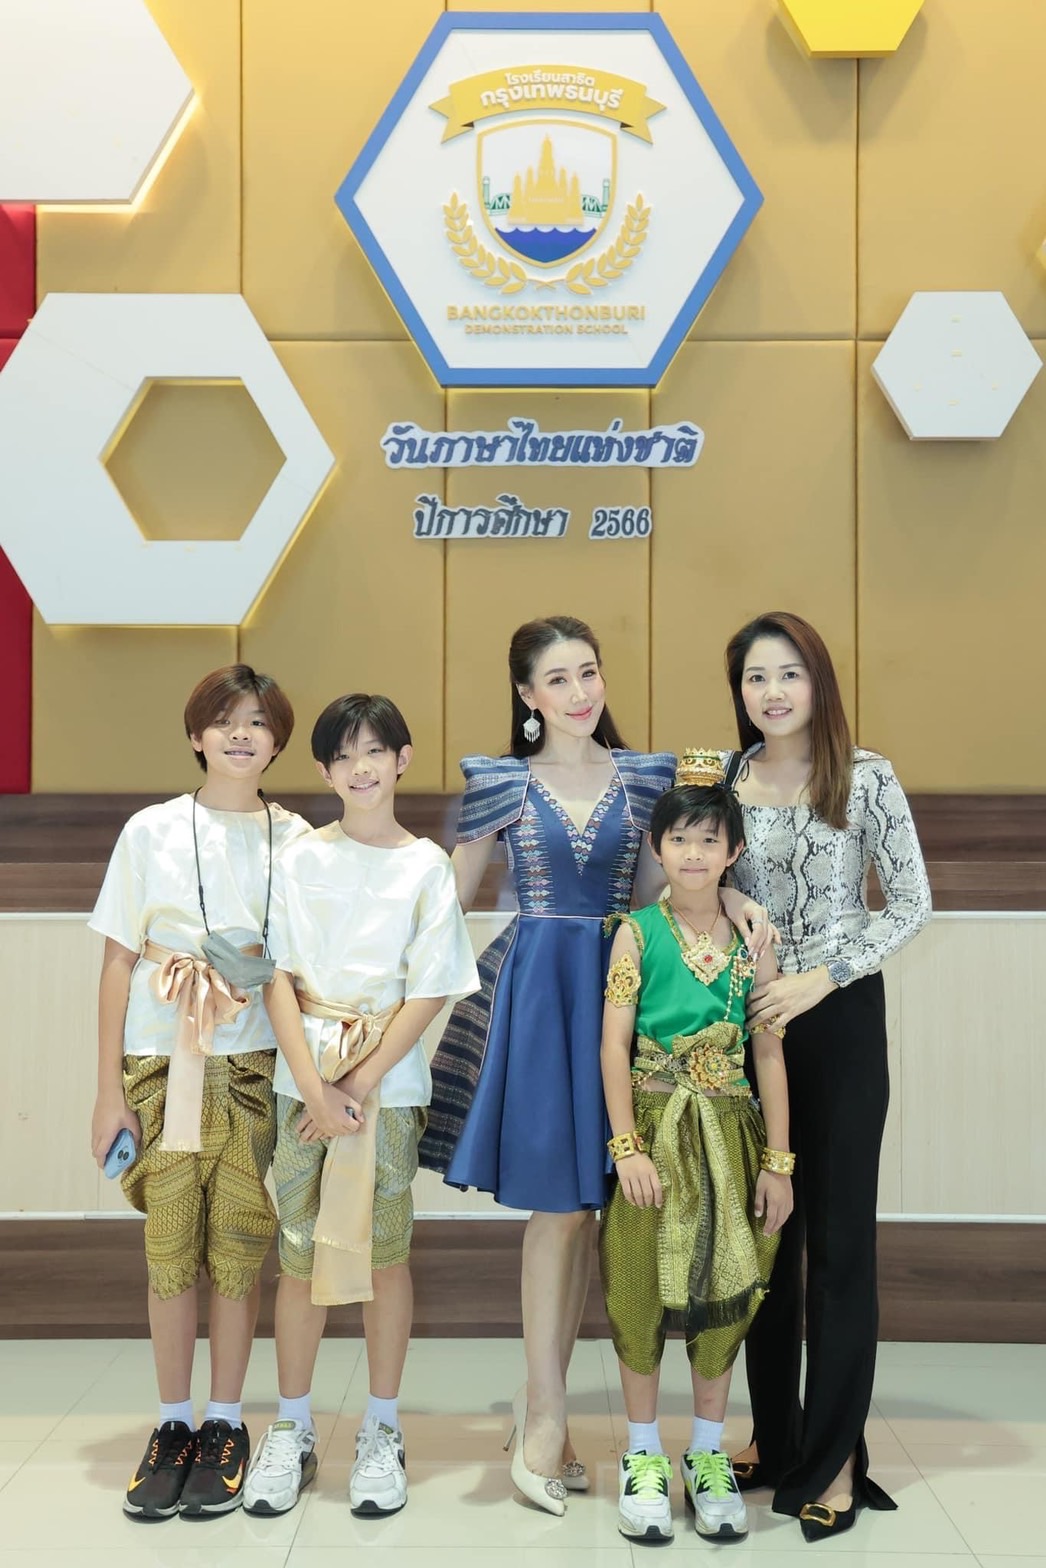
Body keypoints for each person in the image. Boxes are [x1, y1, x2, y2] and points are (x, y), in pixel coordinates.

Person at [419, 615, 773, 1516]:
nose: (579, 693)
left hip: (625, 999)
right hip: (540, 997)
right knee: (559, 1208)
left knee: (592, 1207)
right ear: (527, 696)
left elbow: (668, 886)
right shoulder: (499, 781)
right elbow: (443, 905)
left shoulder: (649, 777)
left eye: (589, 672)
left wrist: (732, 896)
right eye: (558, 679)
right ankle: (544, 1413)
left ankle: (548, 1408)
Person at [709, 611, 931, 1542]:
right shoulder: (722, 777)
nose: (773, 693)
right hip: (746, 1025)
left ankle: (835, 1456)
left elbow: (912, 904)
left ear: (819, 683)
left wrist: (822, 976)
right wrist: (723, 891)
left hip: (836, 1020)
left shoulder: (865, 774)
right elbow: (689, 866)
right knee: (766, 1237)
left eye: (789, 674)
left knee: (838, 1244)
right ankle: (776, 1434)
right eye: (756, 678)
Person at [243, 693, 478, 1520]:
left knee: (384, 1252)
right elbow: (273, 975)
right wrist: (316, 1088)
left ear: (403, 759)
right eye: (343, 755)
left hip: (388, 1087)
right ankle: (293, 1426)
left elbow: (431, 989)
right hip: (301, 1082)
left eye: (375, 750)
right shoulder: (299, 857)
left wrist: (359, 1084)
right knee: (298, 1248)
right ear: (323, 770)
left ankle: (382, 1427)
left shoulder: (426, 867)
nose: (361, 767)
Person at [88, 665, 307, 1521]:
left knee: (241, 1245)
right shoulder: (149, 830)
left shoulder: (299, 839)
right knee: (170, 1245)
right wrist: (107, 1090)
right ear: (195, 736)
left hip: (255, 1065)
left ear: (278, 740)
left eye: (257, 721)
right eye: (224, 720)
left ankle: (224, 1421)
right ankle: (172, 1423)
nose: (241, 734)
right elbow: (117, 962)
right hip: (160, 1061)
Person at [599, 762, 794, 1545]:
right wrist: (626, 1149)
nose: (691, 854)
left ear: (733, 851)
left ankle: (708, 1453)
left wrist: (778, 1162)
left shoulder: (753, 938)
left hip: (730, 1134)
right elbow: (613, 1047)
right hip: (652, 1129)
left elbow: (769, 1051)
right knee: (638, 1288)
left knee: (725, 1290)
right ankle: (643, 1453)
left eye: (709, 840)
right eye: (678, 838)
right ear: (656, 846)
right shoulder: (635, 933)